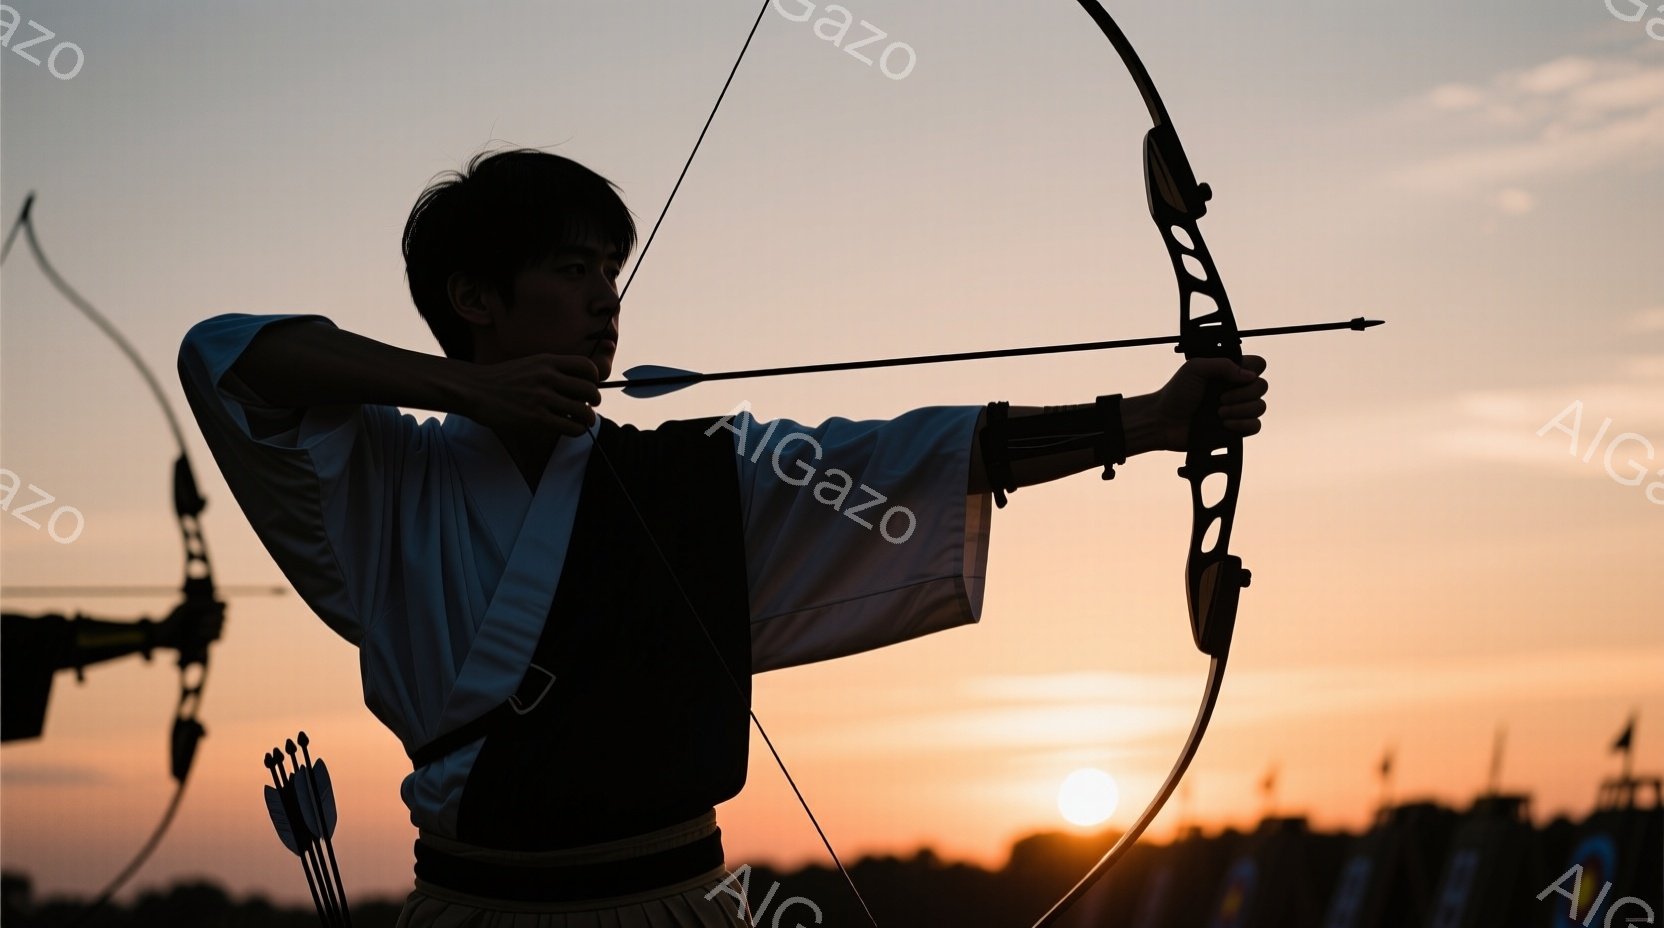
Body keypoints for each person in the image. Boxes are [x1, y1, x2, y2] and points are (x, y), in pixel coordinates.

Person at [177, 148, 1268, 927]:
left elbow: (916, 454)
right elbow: (228, 354)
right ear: (473, 295)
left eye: (611, 272)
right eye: (572, 271)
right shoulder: (384, 479)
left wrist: (1147, 420)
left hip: (679, 908)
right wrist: (466, 391)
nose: (607, 302)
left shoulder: (687, 482)